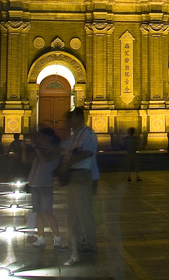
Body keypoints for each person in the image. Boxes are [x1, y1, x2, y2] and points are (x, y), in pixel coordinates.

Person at [56, 107, 98, 266]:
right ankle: (73, 242)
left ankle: (90, 244)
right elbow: (63, 150)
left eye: (71, 119)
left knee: (84, 212)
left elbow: (86, 153)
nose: (69, 123)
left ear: (80, 117)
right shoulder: (75, 135)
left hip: (81, 174)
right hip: (73, 175)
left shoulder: (87, 133)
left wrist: (68, 164)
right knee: (72, 213)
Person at [22, 127, 63, 248]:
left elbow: (45, 159)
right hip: (34, 184)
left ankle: (57, 236)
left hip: (46, 185)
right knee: (38, 212)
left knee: (48, 212)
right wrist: (24, 150)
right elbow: (25, 160)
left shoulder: (55, 150)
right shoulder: (39, 150)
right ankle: (41, 236)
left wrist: (36, 147)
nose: (40, 140)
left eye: (42, 137)